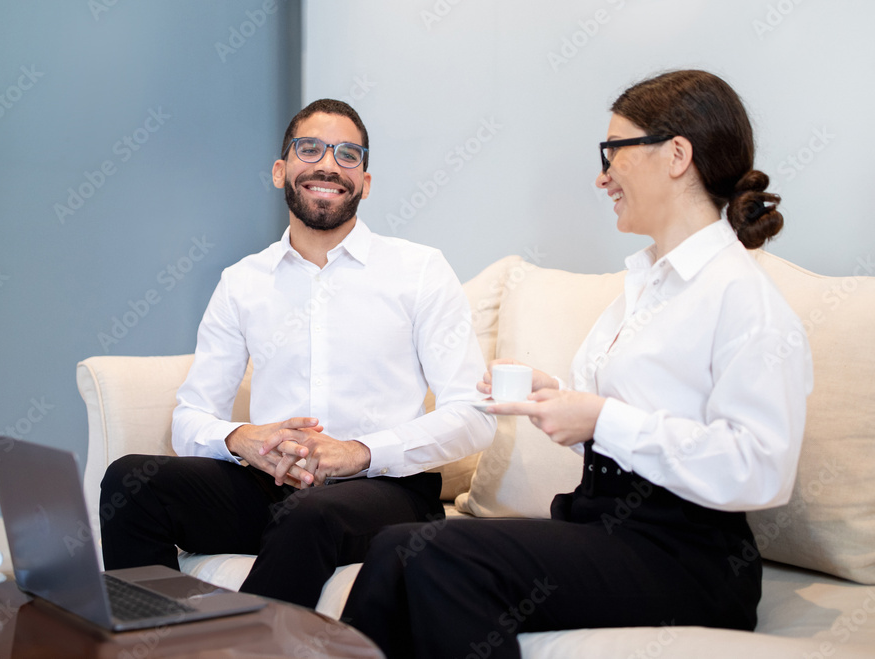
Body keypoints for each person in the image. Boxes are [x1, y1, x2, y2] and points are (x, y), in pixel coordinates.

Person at [340, 70, 814, 658]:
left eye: (612, 153)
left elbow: (761, 469)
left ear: (676, 155)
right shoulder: (643, 286)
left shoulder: (743, 297)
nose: (602, 176)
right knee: (394, 548)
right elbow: (628, 411)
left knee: (442, 557)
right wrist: (557, 397)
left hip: (689, 557)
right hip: (602, 524)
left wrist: (601, 419)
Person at [99, 99, 496, 608]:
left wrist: (360, 451)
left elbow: (475, 415)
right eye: (311, 149)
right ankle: (153, 639)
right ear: (281, 171)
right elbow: (190, 416)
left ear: (366, 182)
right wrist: (241, 438)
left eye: (348, 155)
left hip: (388, 492)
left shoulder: (419, 271)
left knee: (310, 515)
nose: (329, 164)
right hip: (270, 487)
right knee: (132, 481)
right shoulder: (243, 281)